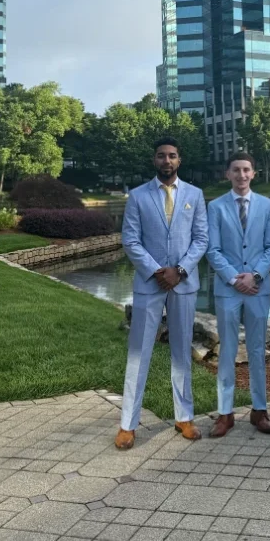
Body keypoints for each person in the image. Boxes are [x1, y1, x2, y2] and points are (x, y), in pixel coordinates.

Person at [115, 136, 209, 449]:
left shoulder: (195, 195)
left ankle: (184, 417)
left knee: (182, 351)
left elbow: (201, 239)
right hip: (149, 283)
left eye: (171, 155)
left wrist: (179, 271)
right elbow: (130, 240)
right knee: (138, 353)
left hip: (184, 283)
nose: (166, 160)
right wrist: (157, 272)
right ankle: (128, 424)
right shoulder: (138, 196)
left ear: (179, 160)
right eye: (161, 156)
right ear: (154, 160)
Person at [206, 152, 270, 438]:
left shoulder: (267, 206)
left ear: (253, 173)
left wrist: (256, 275)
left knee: (258, 350)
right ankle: (225, 413)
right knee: (227, 350)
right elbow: (212, 250)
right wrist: (234, 278)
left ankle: (260, 410)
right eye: (236, 170)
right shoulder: (215, 207)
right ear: (228, 174)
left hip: (258, 288)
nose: (241, 175)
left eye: (246, 169)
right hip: (228, 289)